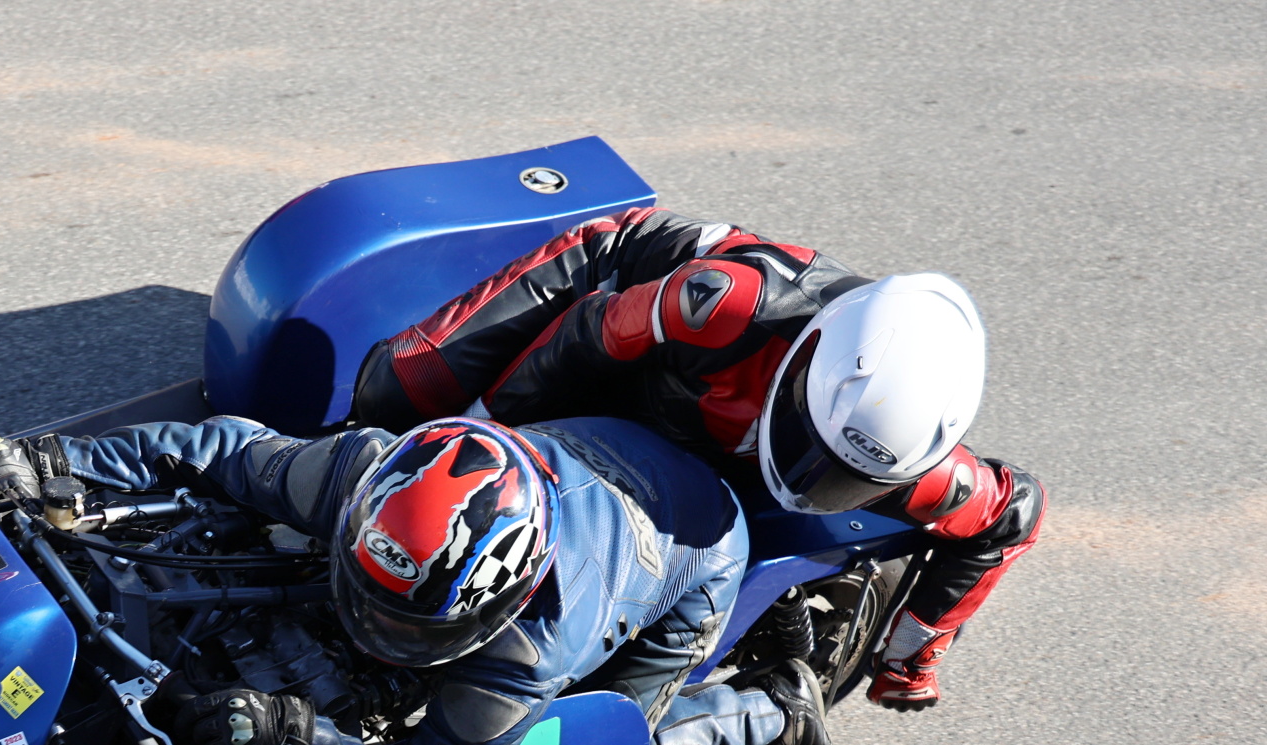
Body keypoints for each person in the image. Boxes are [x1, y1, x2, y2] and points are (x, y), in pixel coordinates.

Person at [0, 414, 833, 745]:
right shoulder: (363, 473)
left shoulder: (526, 649)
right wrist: (59, 462)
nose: (370, 629)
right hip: (580, 451)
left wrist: (300, 738)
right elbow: (219, 450)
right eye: (370, 599)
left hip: (694, 547)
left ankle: (771, 708)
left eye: (399, 622)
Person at [351, 208, 1045, 711]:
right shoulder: (721, 307)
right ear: (809, 367)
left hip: (697, 422)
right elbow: (580, 339)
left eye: (849, 478)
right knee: (400, 387)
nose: (818, 481)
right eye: (818, 450)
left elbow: (1014, 517)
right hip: (616, 304)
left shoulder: (922, 464)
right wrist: (479, 444)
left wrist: (911, 659)